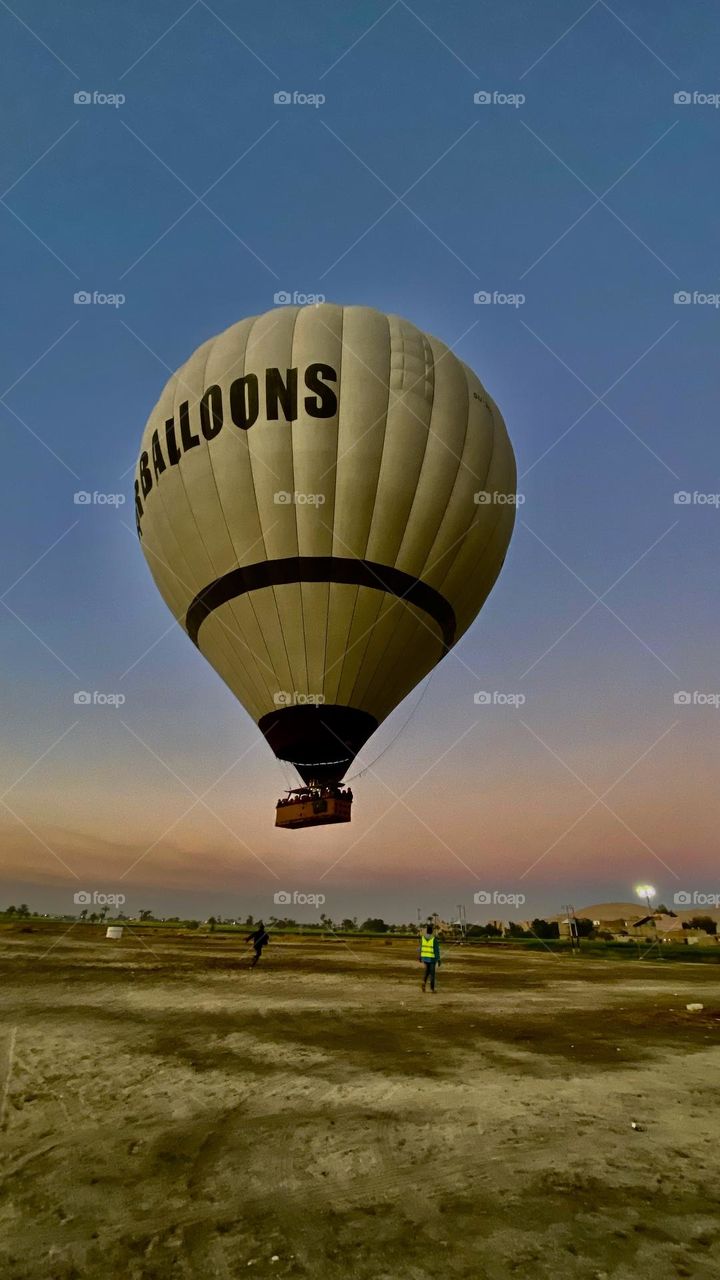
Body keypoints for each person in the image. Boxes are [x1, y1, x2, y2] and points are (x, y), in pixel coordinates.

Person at [419, 923, 441, 992]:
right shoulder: (434, 939)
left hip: (425, 957)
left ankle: (423, 982)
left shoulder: (422, 938)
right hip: (432, 958)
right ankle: (432, 989)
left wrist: (420, 956)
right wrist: (439, 959)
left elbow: (420, 948)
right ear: (431, 931)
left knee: (427, 971)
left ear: (427, 931)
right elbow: (436, 950)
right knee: (432, 973)